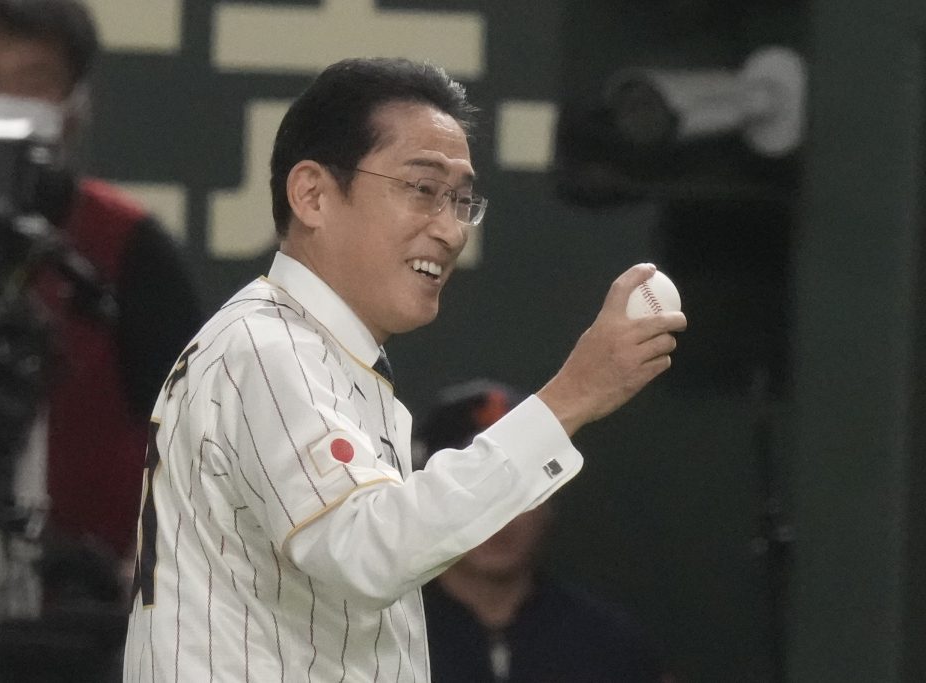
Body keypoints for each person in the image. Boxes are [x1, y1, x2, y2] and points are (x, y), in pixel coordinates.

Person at [122, 56, 687, 682]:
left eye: (462, 200)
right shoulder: (269, 347)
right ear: (311, 194)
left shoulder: (310, 350)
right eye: (421, 189)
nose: (449, 229)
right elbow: (368, 549)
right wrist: (572, 396)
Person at [0, 0, 205, 564]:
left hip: (85, 587)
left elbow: (197, 435)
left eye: (32, 81)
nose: (4, 101)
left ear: (75, 104)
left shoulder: (128, 246)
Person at [415, 380, 674, 683]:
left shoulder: (609, 646)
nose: (502, 514)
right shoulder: (383, 636)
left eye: (522, 490)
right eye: (477, 489)